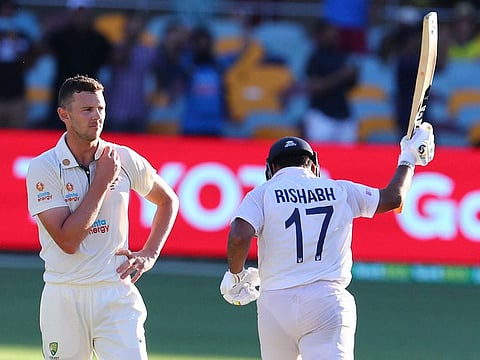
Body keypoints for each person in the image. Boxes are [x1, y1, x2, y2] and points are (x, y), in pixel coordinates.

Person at [220, 126, 435, 359]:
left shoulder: (262, 194)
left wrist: (236, 275)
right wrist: (409, 158)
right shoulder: (340, 189)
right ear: (313, 165)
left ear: (271, 168)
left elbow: (240, 235)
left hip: (274, 304)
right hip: (326, 300)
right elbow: (393, 198)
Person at [26, 75, 179, 360]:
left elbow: (168, 200)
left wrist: (150, 253)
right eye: (87, 110)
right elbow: (68, 240)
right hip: (64, 295)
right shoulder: (43, 167)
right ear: (64, 115)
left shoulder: (123, 157)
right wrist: (102, 182)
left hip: (115, 292)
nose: (96, 117)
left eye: (101, 109)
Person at [40, 0, 112, 129]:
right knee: (58, 128)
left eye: (84, 12)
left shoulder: (99, 39)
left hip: (90, 94)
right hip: (63, 92)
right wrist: (47, 30)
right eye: (78, 12)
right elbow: (42, 49)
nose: (81, 16)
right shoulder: (59, 36)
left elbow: (114, 60)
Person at [301, 19, 359, 144]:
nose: (334, 35)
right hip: (321, 116)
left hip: (344, 115)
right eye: (330, 31)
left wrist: (352, 75)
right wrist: (341, 75)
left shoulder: (343, 56)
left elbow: (352, 86)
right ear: (320, 35)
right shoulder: (315, 58)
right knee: (320, 156)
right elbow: (315, 87)